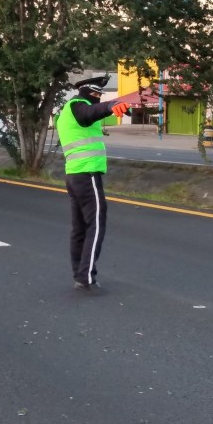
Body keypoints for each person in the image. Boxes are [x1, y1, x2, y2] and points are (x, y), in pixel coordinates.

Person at [56, 76, 130, 292]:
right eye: (95, 95)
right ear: (85, 92)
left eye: (101, 96)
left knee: (80, 228)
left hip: (74, 175)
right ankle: (86, 276)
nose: (97, 99)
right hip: (87, 174)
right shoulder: (77, 105)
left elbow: (91, 116)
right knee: (96, 225)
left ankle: (80, 274)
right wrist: (111, 105)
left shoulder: (65, 112)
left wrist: (110, 106)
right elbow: (89, 114)